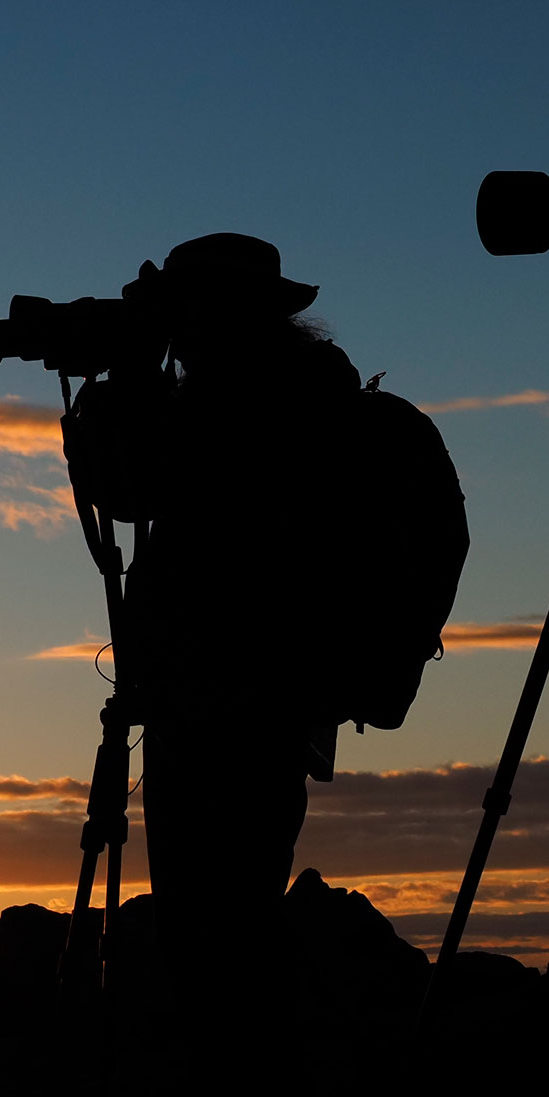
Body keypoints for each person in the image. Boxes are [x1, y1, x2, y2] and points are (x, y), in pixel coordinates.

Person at [119, 232, 362, 1020]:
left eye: (189, 313)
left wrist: (129, 372)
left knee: (218, 925)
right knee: (219, 919)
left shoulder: (254, 403)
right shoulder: (292, 391)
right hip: (238, 695)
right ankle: (241, 1092)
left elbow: (128, 483)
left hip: (236, 697)